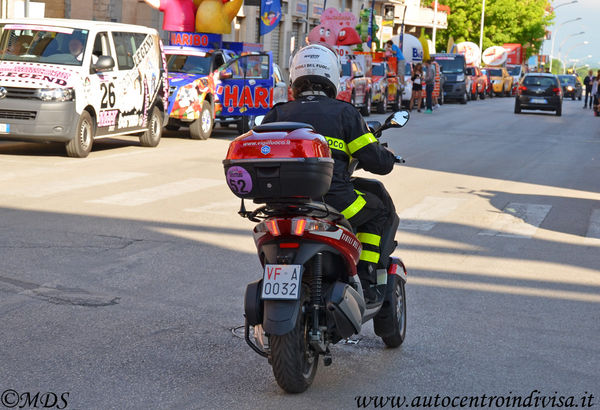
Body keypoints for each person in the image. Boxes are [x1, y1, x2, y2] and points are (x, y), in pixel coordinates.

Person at [261, 43, 397, 301]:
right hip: (333, 202)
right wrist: (387, 157)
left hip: (281, 204)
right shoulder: (345, 113)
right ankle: (367, 278)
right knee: (379, 210)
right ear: (332, 76)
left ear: (295, 77)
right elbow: (377, 161)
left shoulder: (277, 113)